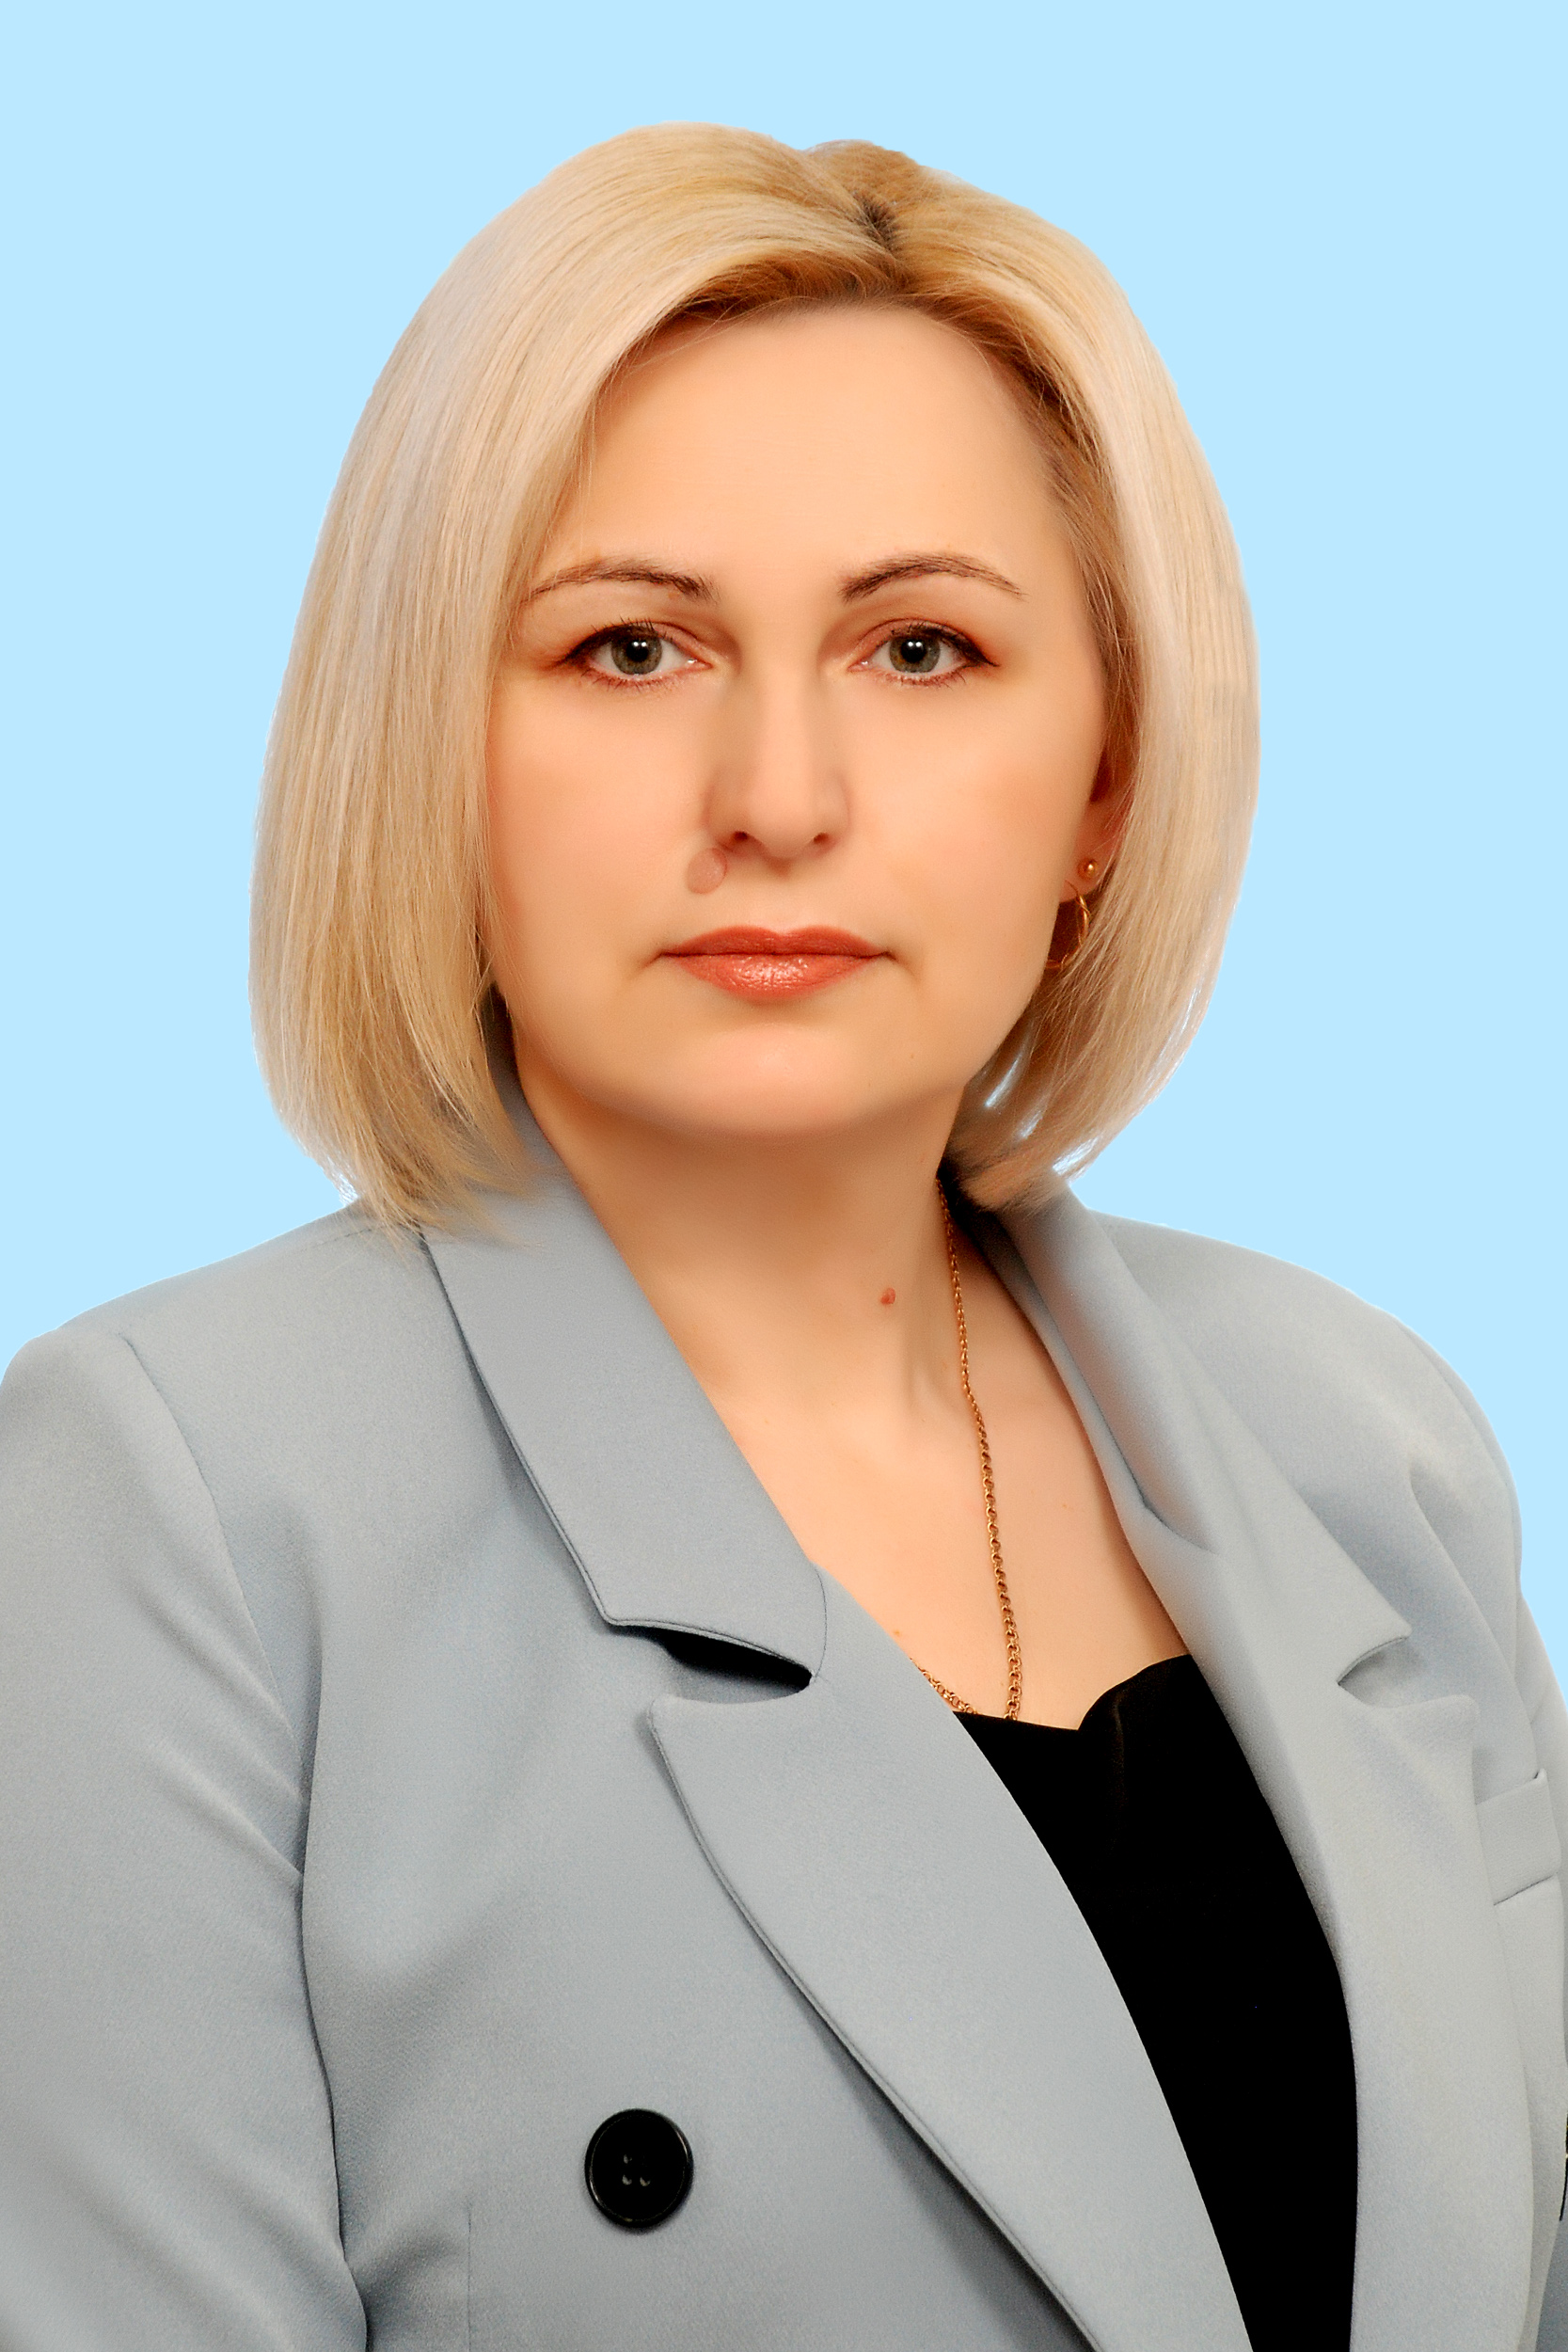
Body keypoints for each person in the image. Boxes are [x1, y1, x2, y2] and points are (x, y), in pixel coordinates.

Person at [1, 123, 1562, 2352]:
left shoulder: (1364, 1434)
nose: (778, 797)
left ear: (1105, 780)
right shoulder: (173, 1505)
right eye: (631, 647)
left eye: (922, 647)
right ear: (431, 742)